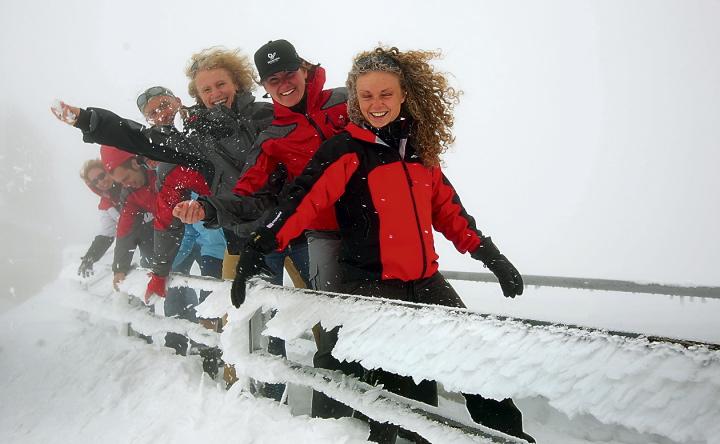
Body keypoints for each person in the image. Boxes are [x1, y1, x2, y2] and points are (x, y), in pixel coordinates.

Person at [181, 46, 533, 443]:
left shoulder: (419, 151)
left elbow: (450, 212)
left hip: (425, 280)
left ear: (403, 95)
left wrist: (492, 257)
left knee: (476, 366)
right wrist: (257, 247)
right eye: (367, 96)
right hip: (372, 283)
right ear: (355, 100)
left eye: (385, 94)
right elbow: (300, 202)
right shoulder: (344, 149)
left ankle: (511, 438)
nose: (376, 104)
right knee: (400, 394)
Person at [173, 39, 350, 410]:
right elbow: (152, 148)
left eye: (220, 84)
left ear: (238, 82)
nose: (214, 93)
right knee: (250, 315)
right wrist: (89, 121)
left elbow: (290, 175)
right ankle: (261, 400)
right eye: (206, 89)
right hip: (245, 235)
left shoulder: (270, 117)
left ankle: (340, 400)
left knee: (325, 311)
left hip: (297, 229)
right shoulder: (199, 135)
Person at [50, 46, 274, 275]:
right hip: (241, 236)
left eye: (164, 105)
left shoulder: (258, 117)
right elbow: (138, 140)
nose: (162, 114)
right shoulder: (182, 148)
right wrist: (88, 120)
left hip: (284, 226)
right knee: (238, 295)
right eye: (153, 113)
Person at [99, 145, 156, 290]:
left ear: (134, 163)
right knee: (174, 296)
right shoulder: (130, 193)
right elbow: (126, 229)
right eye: (121, 182)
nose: (126, 184)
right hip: (176, 236)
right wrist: (120, 268)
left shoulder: (160, 168)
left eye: (126, 178)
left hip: (201, 229)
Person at [77, 159, 122, 277]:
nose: (101, 182)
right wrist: (90, 256)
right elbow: (106, 235)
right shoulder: (106, 205)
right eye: (95, 181)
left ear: (108, 171)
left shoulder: (128, 181)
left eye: (102, 176)